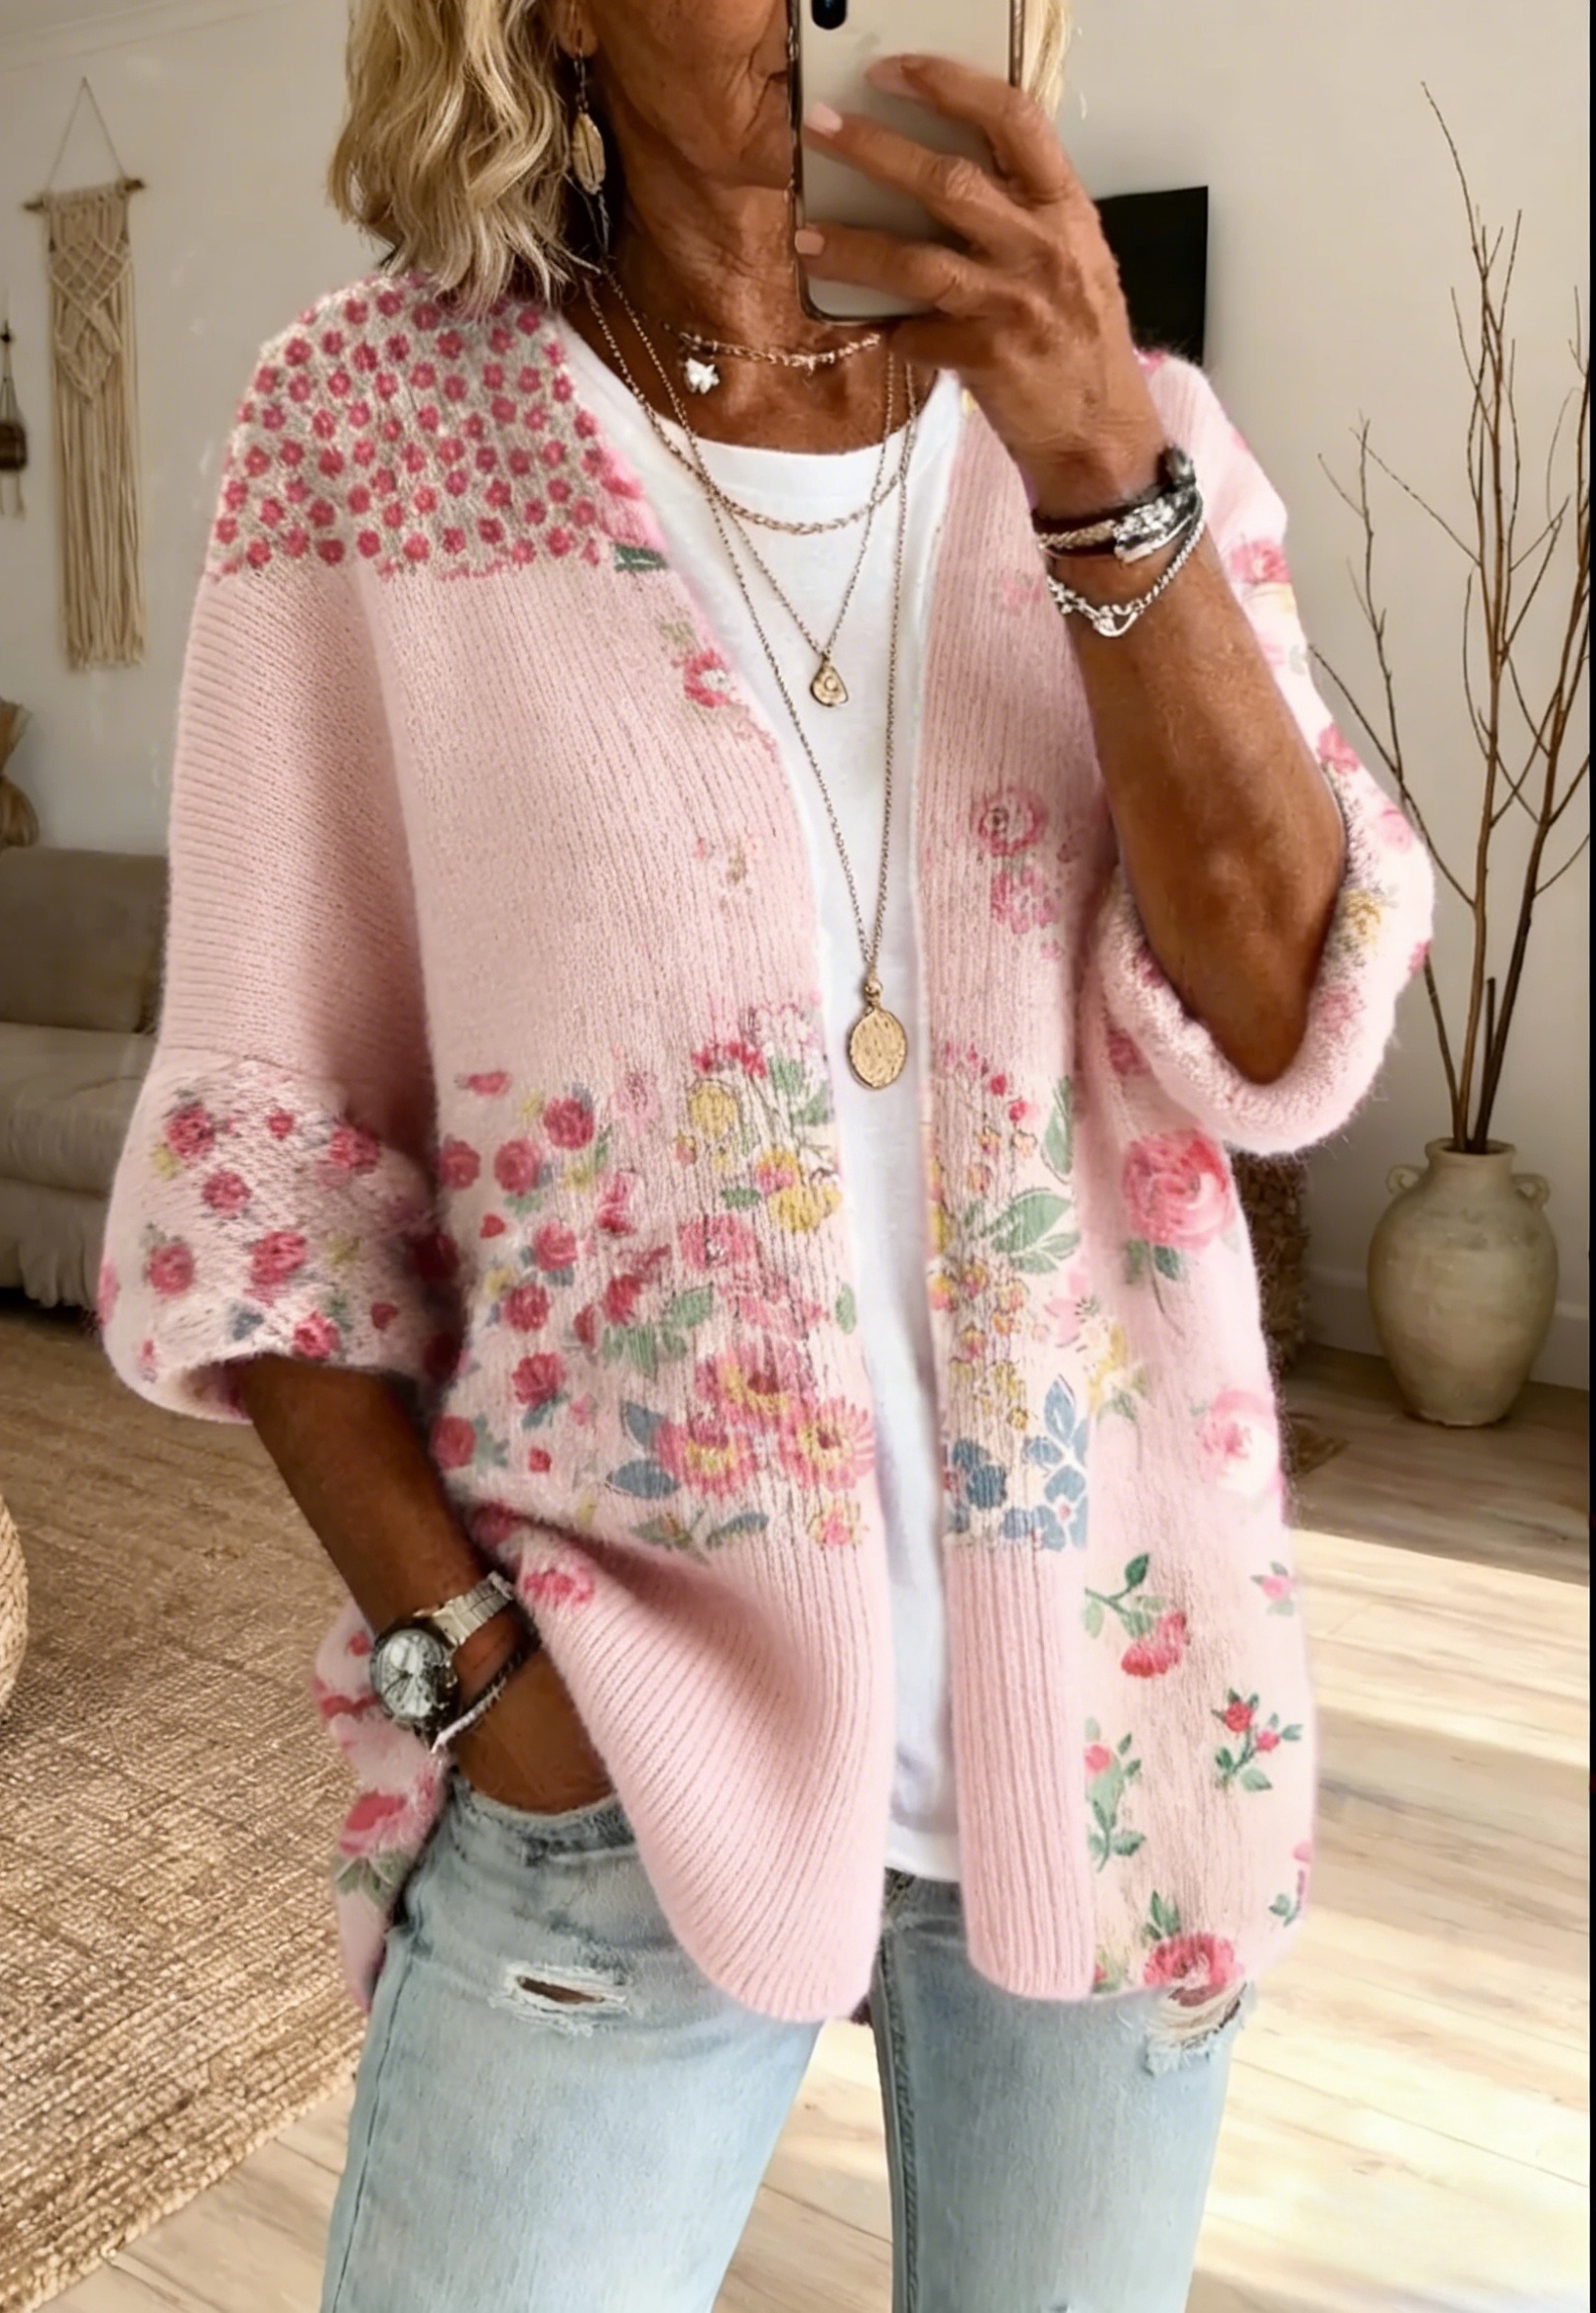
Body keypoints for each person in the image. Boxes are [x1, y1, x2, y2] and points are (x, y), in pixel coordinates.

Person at [99, 2, 1433, 2304]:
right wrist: (467, 1673)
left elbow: (1278, 1023)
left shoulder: (1132, 430)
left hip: (1117, 1726)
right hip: (614, 1741)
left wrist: (1097, 464)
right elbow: (265, 1150)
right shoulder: (368, 429)